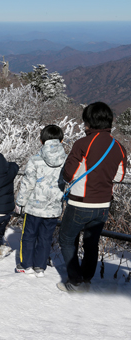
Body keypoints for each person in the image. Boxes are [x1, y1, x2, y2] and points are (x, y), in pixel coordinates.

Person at [58, 102, 127, 292]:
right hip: (103, 204)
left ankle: (75, 281)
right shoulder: (119, 147)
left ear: (89, 122)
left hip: (80, 202)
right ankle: (86, 279)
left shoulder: (82, 144)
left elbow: (68, 175)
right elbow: (119, 176)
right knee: (91, 243)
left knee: (66, 239)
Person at [15, 125, 66, 277]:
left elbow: (27, 183)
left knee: (29, 235)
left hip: (33, 207)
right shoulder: (67, 160)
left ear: (41, 140)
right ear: (61, 140)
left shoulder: (35, 159)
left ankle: (26, 265)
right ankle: (40, 267)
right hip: (53, 207)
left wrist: (20, 202)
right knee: (45, 237)